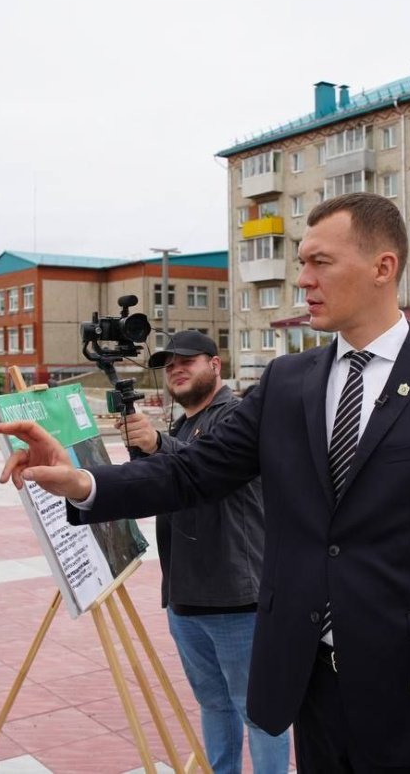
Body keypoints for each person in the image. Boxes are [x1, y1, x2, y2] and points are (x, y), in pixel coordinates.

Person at [0, 192, 410, 773]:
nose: (303, 279)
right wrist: (82, 481)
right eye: (301, 262)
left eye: (320, 262)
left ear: (383, 267)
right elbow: (192, 470)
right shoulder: (288, 381)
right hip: (310, 675)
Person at [113, 329, 288, 774]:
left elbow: (205, 468)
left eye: (187, 360)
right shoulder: (182, 425)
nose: (176, 369)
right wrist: (143, 455)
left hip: (236, 598)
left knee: (258, 712)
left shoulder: (239, 416)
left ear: (215, 364)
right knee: (213, 705)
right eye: (169, 364)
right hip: (186, 598)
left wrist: (157, 445)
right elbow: (164, 485)